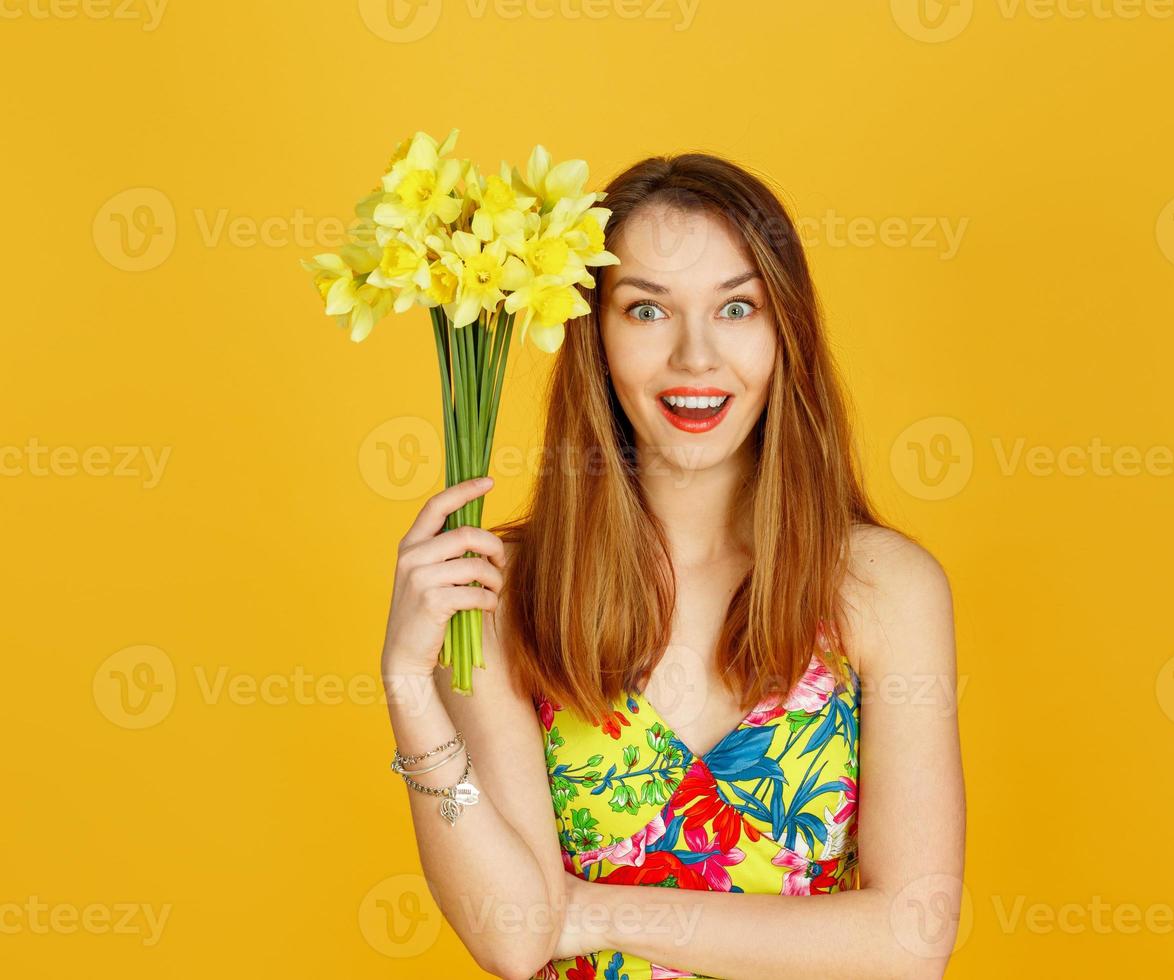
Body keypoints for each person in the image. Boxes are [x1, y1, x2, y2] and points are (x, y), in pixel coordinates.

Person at [380, 152, 965, 979]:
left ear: (784, 330)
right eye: (647, 312)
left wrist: (584, 910)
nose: (696, 358)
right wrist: (408, 682)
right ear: (592, 333)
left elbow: (910, 945)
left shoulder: (884, 589)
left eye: (736, 307)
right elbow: (513, 937)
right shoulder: (502, 593)